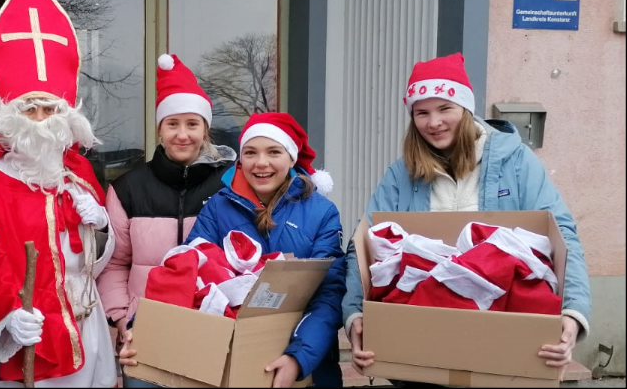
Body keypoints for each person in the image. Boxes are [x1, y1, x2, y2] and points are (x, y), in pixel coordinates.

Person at [340, 52, 592, 386]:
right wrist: (355, 314)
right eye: (422, 113)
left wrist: (572, 313)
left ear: (465, 108)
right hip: (423, 341)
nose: (434, 122)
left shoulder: (517, 162)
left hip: (503, 338)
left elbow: (563, 236)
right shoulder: (401, 173)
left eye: (445, 108)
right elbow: (365, 243)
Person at [119, 112, 346, 388]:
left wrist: (298, 358)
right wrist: (140, 330)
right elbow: (182, 273)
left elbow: (329, 295)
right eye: (250, 152)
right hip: (229, 356)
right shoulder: (219, 206)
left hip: (303, 357)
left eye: (273, 152)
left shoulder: (322, 213)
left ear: (291, 158)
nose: (260, 163)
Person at [0, 0, 117, 388]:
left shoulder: (80, 172)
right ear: (9, 117)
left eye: (49, 110)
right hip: (27, 327)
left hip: (83, 321)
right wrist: (7, 315)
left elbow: (97, 261)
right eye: (29, 110)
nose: (40, 120)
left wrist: (101, 227)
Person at [97, 53, 236, 388]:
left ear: (205, 129)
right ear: (160, 128)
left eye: (192, 124)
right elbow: (114, 263)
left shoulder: (229, 184)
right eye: (172, 124)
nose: (182, 135)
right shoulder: (128, 188)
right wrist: (122, 318)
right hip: (145, 334)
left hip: (212, 331)